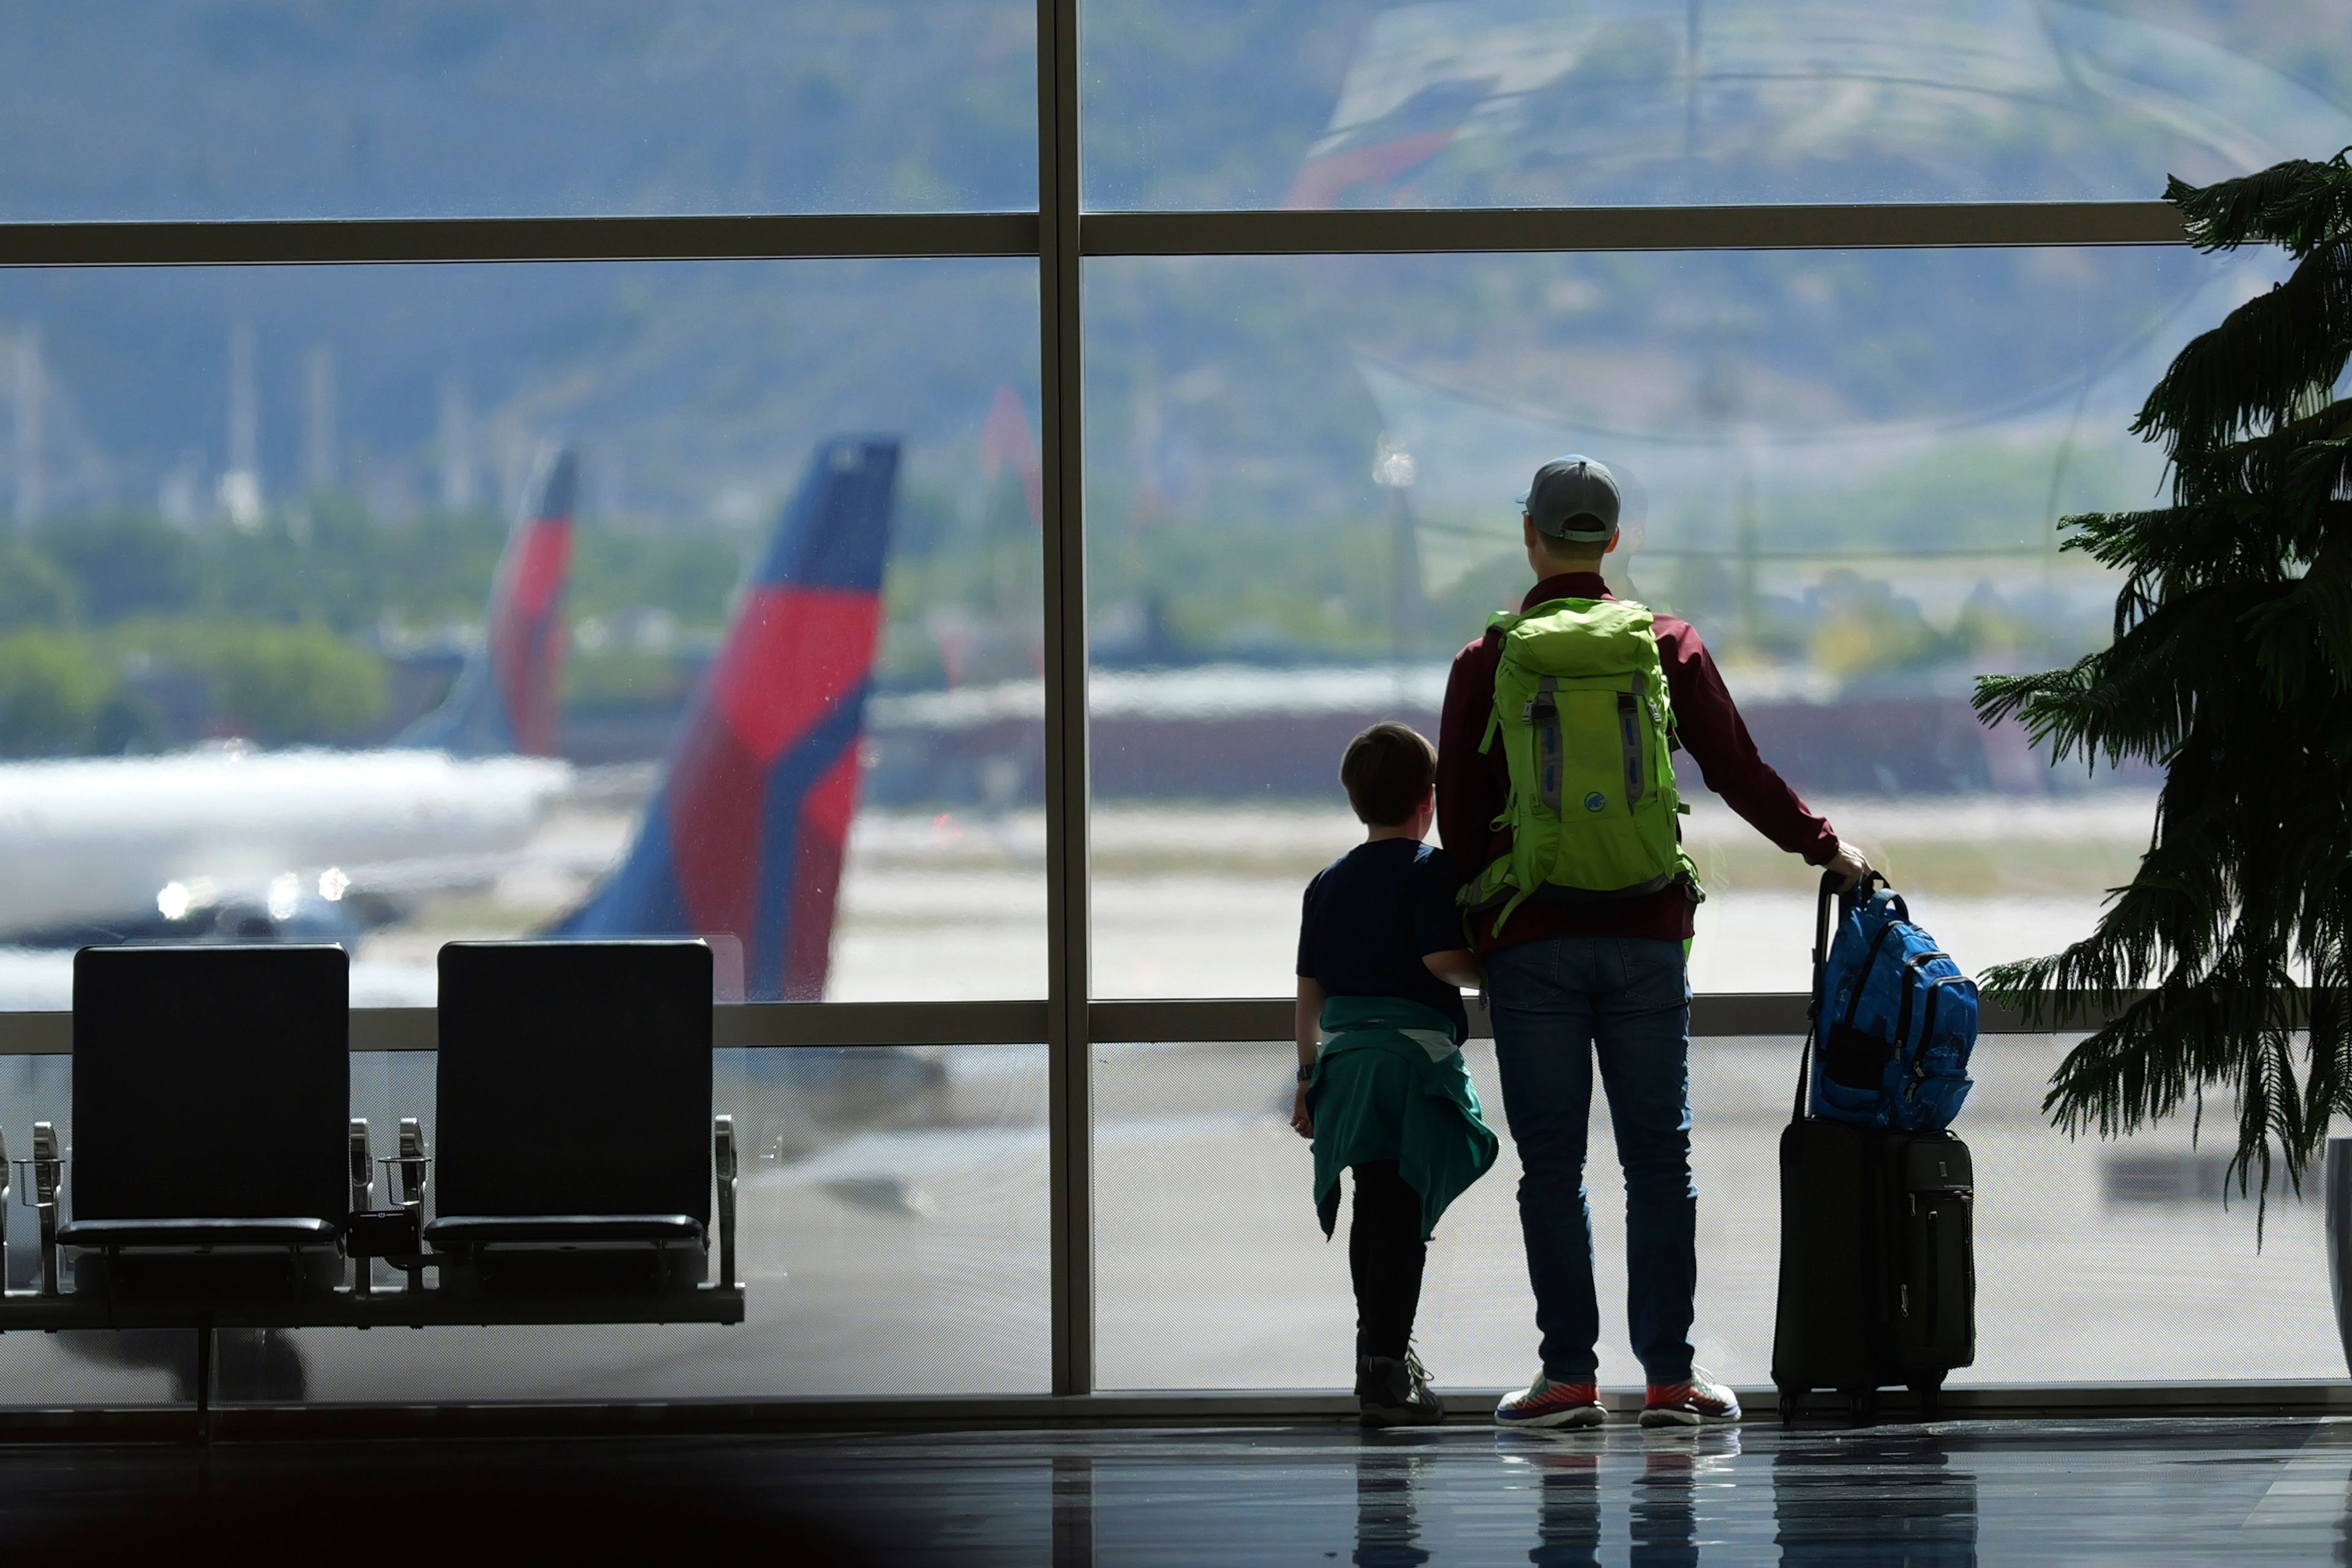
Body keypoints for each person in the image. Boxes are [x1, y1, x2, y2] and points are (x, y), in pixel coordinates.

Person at [1439, 456, 1871, 1430]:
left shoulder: (1488, 660)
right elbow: (1738, 771)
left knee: (1551, 1168)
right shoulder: (1666, 645)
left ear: (1531, 537)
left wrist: (1482, 929)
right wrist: (1824, 847)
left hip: (1531, 940)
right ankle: (1672, 1383)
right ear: (1615, 542)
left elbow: (1461, 828)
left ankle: (1567, 1380)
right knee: (1658, 1165)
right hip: (1645, 934)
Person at [1292, 721, 1500, 1428]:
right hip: (1408, 1064)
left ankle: (1373, 1353)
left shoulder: (1326, 882)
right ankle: (1387, 1366)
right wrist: (1494, 973)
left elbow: (1309, 994)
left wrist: (1305, 1077)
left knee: (1370, 1196)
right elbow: (1443, 961)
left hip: (1346, 1064)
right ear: (1428, 800)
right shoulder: (1432, 871)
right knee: (1403, 1207)